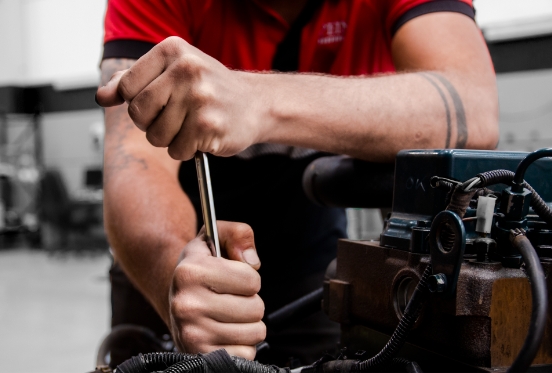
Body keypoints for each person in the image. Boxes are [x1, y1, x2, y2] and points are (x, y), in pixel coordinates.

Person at [95, 0, 498, 366]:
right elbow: (130, 162)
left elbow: (476, 109)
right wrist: (178, 282)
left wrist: (258, 99)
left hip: (309, 238)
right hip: (173, 241)